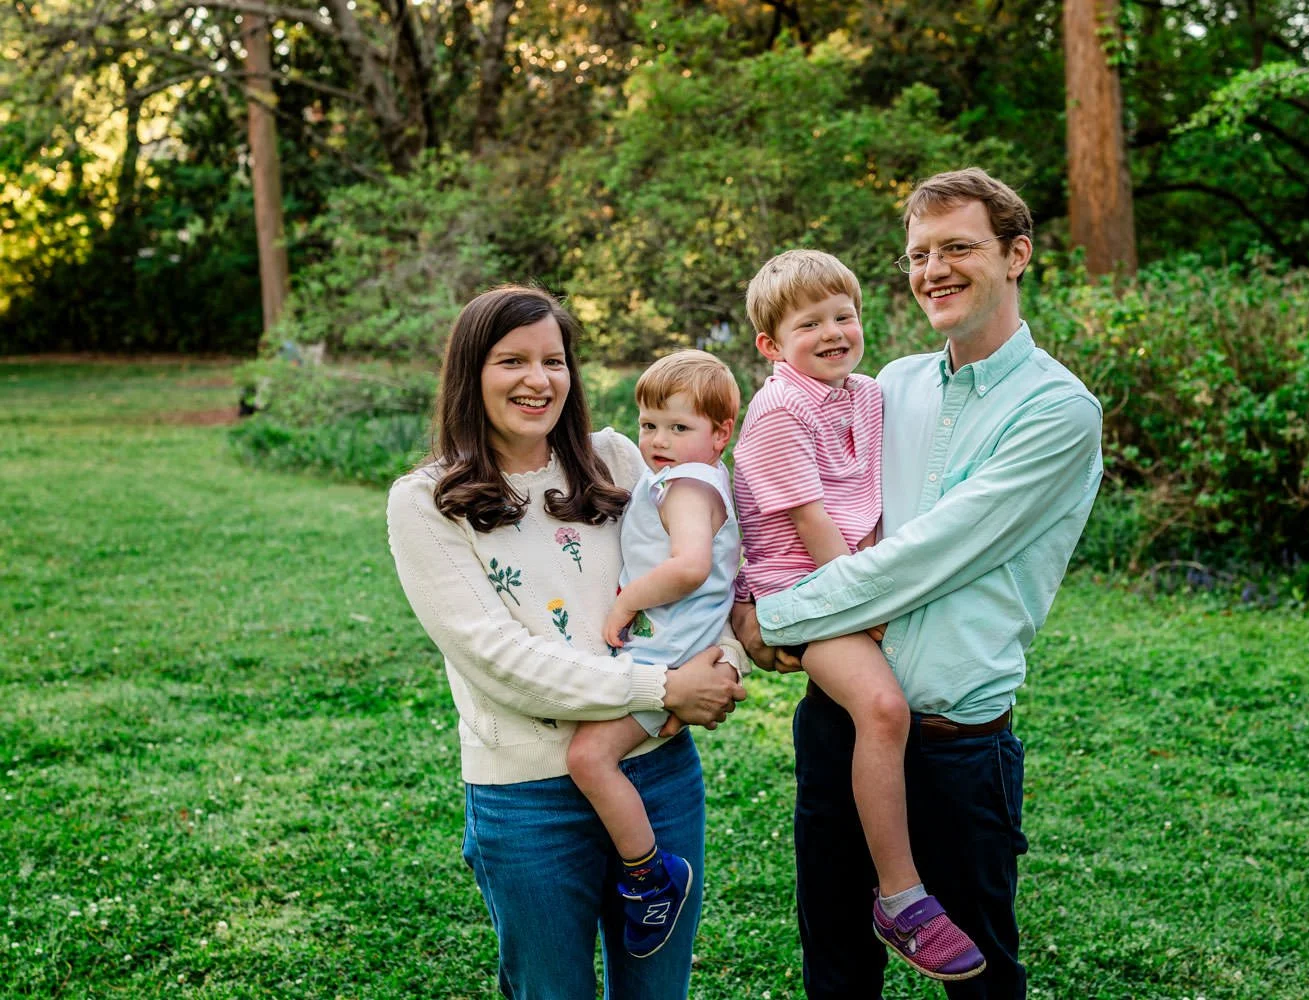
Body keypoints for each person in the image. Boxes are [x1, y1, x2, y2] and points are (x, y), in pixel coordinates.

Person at [731, 168, 1104, 999]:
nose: (933, 269)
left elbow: (925, 556)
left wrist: (769, 618)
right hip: (840, 726)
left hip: (955, 747)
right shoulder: (883, 387)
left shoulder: (1057, 412)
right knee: (834, 968)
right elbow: (780, 488)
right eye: (918, 254)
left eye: (958, 248)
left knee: (980, 979)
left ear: (1017, 256)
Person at [386, 285, 747, 1000]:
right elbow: (498, 660)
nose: (538, 380)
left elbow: (712, 565)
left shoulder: (618, 456)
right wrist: (663, 689)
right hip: (530, 799)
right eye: (511, 361)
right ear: (470, 374)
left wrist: (724, 664)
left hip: (660, 771)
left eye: (554, 360)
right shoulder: (425, 501)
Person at [732, 249, 986, 982]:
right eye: (810, 323)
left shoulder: (866, 394)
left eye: (845, 316)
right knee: (882, 707)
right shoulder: (778, 409)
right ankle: (901, 898)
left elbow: (871, 502)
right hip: (797, 589)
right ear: (772, 346)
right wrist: (870, 605)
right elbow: (813, 523)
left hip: (852, 575)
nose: (835, 331)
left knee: (882, 708)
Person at [566, 350, 742, 960]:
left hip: (664, 656)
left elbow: (691, 566)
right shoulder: (684, 479)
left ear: (721, 433)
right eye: (649, 425)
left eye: (679, 427)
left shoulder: (688, 486)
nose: (659, 440)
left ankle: (650, 880)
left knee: (589, 757)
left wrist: (624, 603)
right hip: (666, 651)